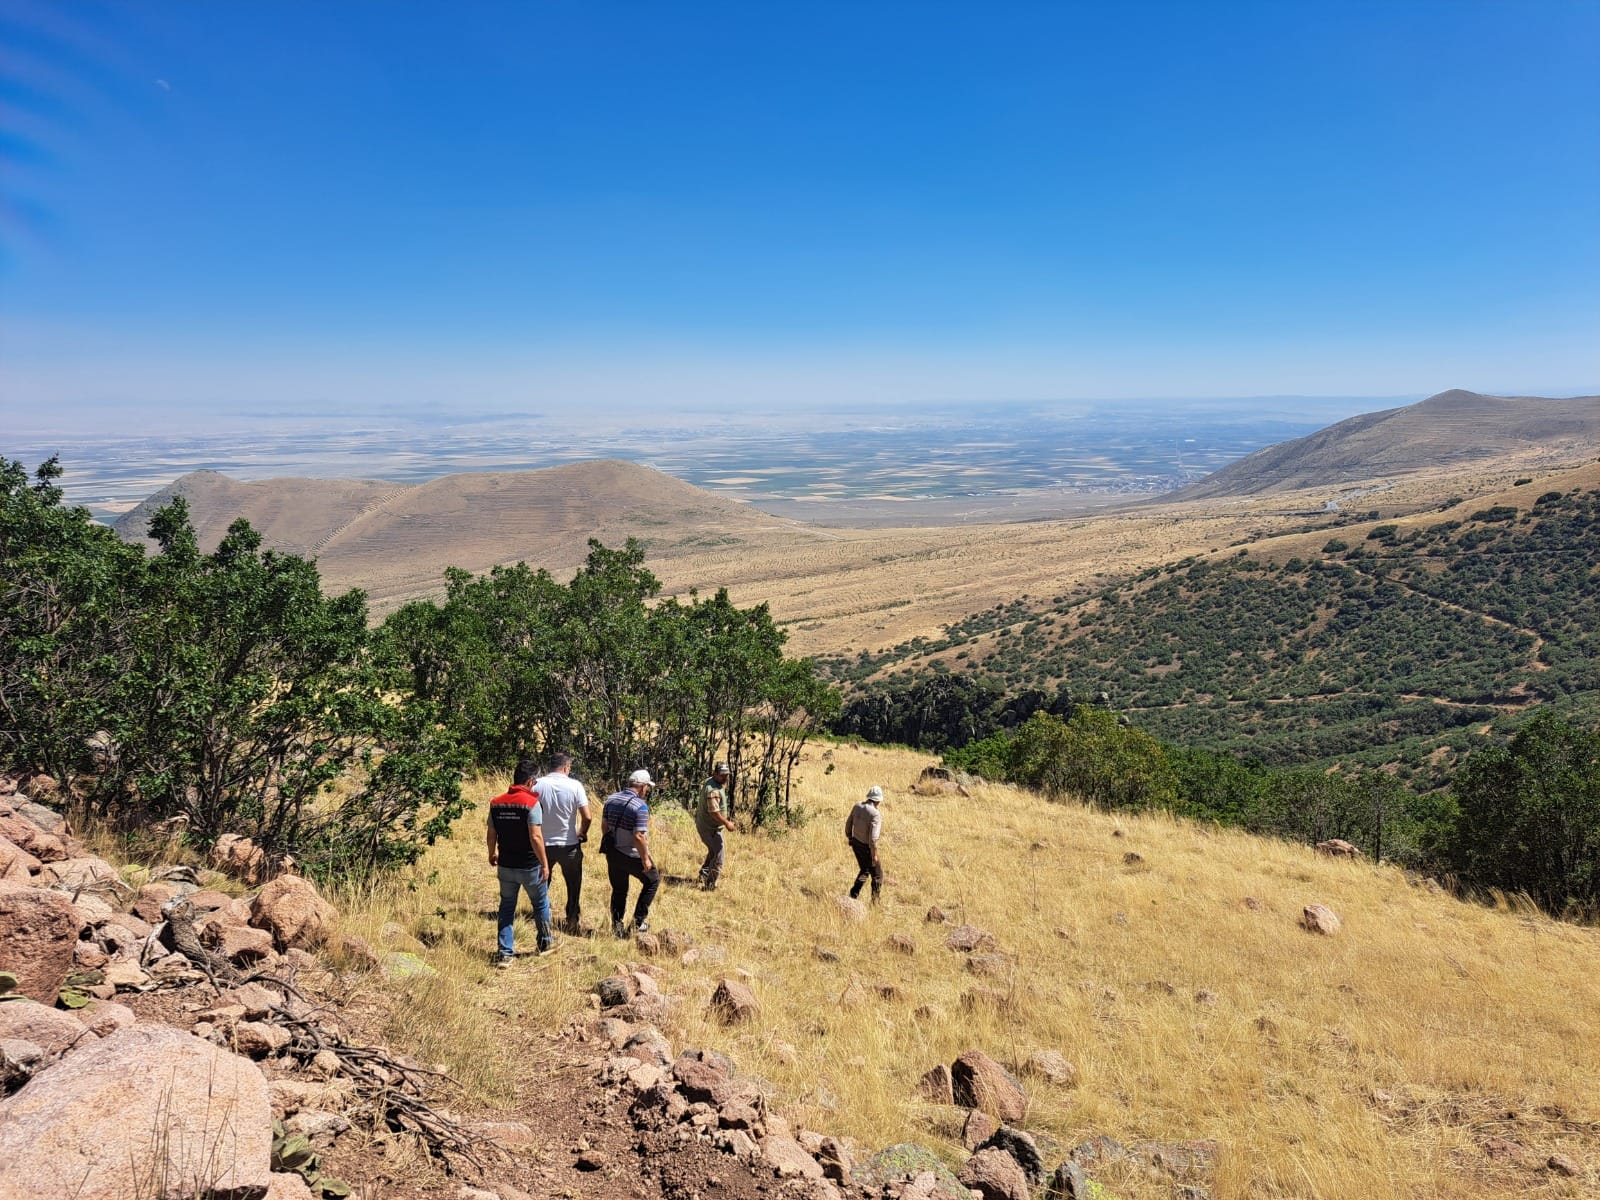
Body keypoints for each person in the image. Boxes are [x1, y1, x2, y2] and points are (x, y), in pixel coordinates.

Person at [487, 758, 553, 966]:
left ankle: (505, 953)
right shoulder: (532, 803)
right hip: (529, 865)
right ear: (531, 781)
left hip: (506, 864)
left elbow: (491, 833)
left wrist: (492, 853)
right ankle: (545, 943)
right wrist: (545, 863)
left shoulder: (496, 802)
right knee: (540, 903)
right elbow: (536, 837)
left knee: (507, 907)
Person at [534, 751, 591, 932]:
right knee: (574, 884)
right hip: (569, 844)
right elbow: (587, 817)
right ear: (566, 767)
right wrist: (582, 832)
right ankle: (572, 919)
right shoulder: (575, 785)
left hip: (543, 844)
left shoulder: (537, 785)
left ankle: (540, 917)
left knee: (542, 882)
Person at [601, 768, 660, 938]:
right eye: (647, 787)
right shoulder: (640, 806)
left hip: (613, 852)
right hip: (631, 855)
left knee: (619, 890)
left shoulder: (611, 799)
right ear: (642, 786)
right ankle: (637, 923)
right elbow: (639, 836)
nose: (646, 791)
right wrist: (645, 859)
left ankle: (617, 926)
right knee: (653, 881)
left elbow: (604, 826)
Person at [695, 761, 737, 891]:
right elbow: (713, 812)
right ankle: (710, 885)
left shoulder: (712, 781)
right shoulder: (713, 790)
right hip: (709, 829)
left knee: (713, 851)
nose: (725, 777)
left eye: (727, 774)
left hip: (706, 825)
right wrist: (727, 823)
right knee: (719, 855)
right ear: (715, 774)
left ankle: (704, 874)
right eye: (722, 775)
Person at [846, 785, 884, 903]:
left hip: (856, 843)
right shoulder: (875, 814)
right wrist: (874, 855)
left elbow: (848, 823)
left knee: (864, 870)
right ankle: (875, 902)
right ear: (878, 800)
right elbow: (873, 839)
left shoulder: (857, 806)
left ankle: (853, 895)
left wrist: (850, 837)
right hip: (867, 847)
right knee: (877, 875)